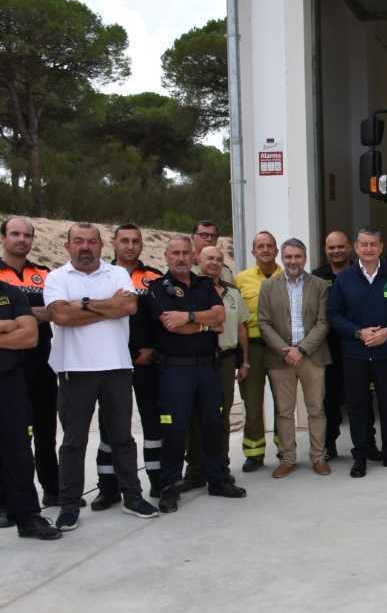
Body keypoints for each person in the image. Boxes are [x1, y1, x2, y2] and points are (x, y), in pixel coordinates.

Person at [43, 223, 158, 530]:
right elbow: (61, 316)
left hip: (116, 367)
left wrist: (81, 305)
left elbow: (129, 305)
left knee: (122, 439)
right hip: (74, 369)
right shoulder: (56, 278)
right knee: (73, 442)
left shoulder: (117, 274)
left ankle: (132, 496)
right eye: (78, 241)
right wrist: (109, 307)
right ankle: (68, 506)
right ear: (67, 246)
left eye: (91, 241)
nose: (85, 246)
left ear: (101, 245)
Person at [146, 235, 246, 513]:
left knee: (213, 424)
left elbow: (220, 316)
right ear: (166, 257)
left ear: (193, 256)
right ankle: (169, 487)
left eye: (185, 253)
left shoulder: (204, 285)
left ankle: (217, 479)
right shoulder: (157, 288)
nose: (180, 258)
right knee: (175, 430)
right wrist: (204, 323)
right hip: (174, 370)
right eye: (174, 253)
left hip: (207, 367)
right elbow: (170, 325)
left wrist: (190, 318)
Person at [328, 229, 387, 478]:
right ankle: (361, 456)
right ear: (356, 248)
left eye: (373, 245)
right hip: (354, 354)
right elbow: (334, 315)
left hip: (386, 354)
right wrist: (358, 333)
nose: (368, 249)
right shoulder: (345, 279)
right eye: (364, 245)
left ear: (380, 248)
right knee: (357, 407)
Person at [91, 224, 165, 510]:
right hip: (111, 362)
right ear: (113, 243)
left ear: (142, 245)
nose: (131, 246)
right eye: (125, 241)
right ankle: (108, 488)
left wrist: (153, 350)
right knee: (110, 427)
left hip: (147, 362)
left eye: (136, 241)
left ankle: (158, 481)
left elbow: (163, 319)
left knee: (153, 423)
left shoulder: (154, 278)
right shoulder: (101, 277)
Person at [0, 216, 61, 507]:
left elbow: (57, 312)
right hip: (7, 364)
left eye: (27, 235)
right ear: (3, 238)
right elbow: (42, 312)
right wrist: (29, 315)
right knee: (11, 436)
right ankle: (8, 499)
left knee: (46, 430)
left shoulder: (44, 274)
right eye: (15, 234)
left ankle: (52, 489)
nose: (21, 239)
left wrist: (18, 315)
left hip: (42, 360)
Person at [258, 238, 332, 478]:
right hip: (281, 358)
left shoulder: (320, 285)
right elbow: (264, 322)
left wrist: (301, 350)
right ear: (282, 258)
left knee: (316, 409)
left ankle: (319, 457)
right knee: (284, 412)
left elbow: (323, 323)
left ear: (305, 257)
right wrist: (285, 349)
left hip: (312, 356)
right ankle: (287, 458)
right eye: (288, 257)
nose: (293, 261)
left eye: (297, 256)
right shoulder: (269, 286)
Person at [180, 245, 249, 490]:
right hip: (198, 359)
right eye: (210, 258)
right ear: (199, 259)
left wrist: (245, 360)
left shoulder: (232, 292)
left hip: (226, 360)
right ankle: (196, 469)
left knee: (221, 416)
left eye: (219, 259)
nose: (214, 262)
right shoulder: (190, 290)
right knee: (195, 416)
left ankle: (220, 465)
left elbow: (241, 328)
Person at [313, 230, 371, 459]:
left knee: (363, 398)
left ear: (350, 247)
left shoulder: (364, 272)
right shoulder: (317, 277)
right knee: (329, 400)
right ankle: (329, 445)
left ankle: (368, 444)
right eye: (331, 247)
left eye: (340, 246)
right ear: (325, 250)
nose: (336, 251)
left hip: (359, 345)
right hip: (328, 348)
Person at [235, 231, 281, 472]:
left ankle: (285, 449)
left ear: (276, 250)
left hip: (280, 348)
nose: (265, 250)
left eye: (269, 246)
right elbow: (236, 318)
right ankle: (254, 452)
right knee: (252, 404)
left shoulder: (288, 275)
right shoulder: (240, 280)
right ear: (253, 252)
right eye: (260, 246)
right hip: (252, 348)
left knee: (283, 402)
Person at [192, 219, 235, 285]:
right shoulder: (182, 267)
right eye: (204, 235)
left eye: (213, 236)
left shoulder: (225, 271)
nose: (209, 239)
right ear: (193, 237)